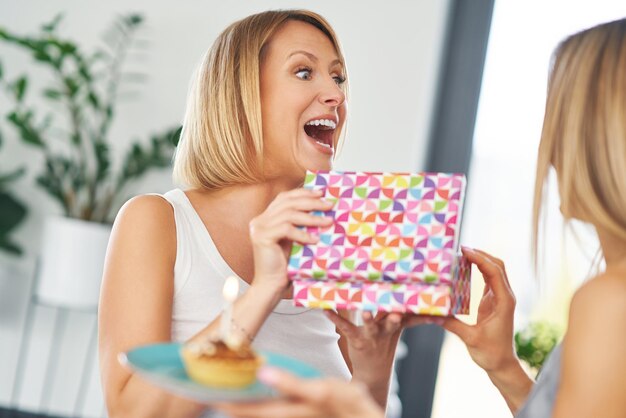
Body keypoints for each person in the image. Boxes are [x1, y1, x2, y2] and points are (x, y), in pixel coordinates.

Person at [214, 17, 626, 418]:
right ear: (242, 94)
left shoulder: (610, 301)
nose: (548, 151)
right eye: (304, 72)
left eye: (559, 122)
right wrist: (503, 366)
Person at [98, 9, 405, 418]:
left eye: (338, 77)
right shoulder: (158, 222)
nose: (336, 95)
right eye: (303, 72)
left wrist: (374, 362)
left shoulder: (340, 244)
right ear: (241, 95)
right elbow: (130, 412)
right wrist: (263, 290)